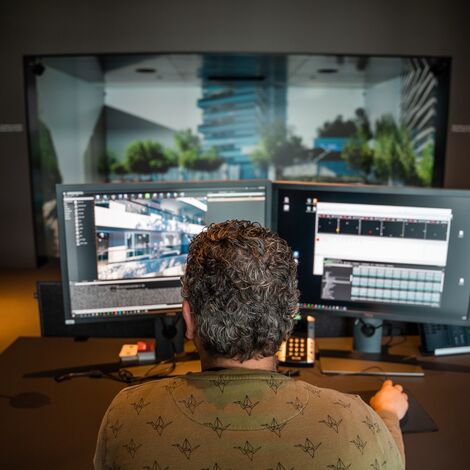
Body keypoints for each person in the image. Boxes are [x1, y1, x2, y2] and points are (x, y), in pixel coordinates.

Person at [94, 220, 408, 470]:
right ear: (290, 319)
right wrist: (388, 415)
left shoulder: (126, 416)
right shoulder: (355, 422)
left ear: (188, 318)